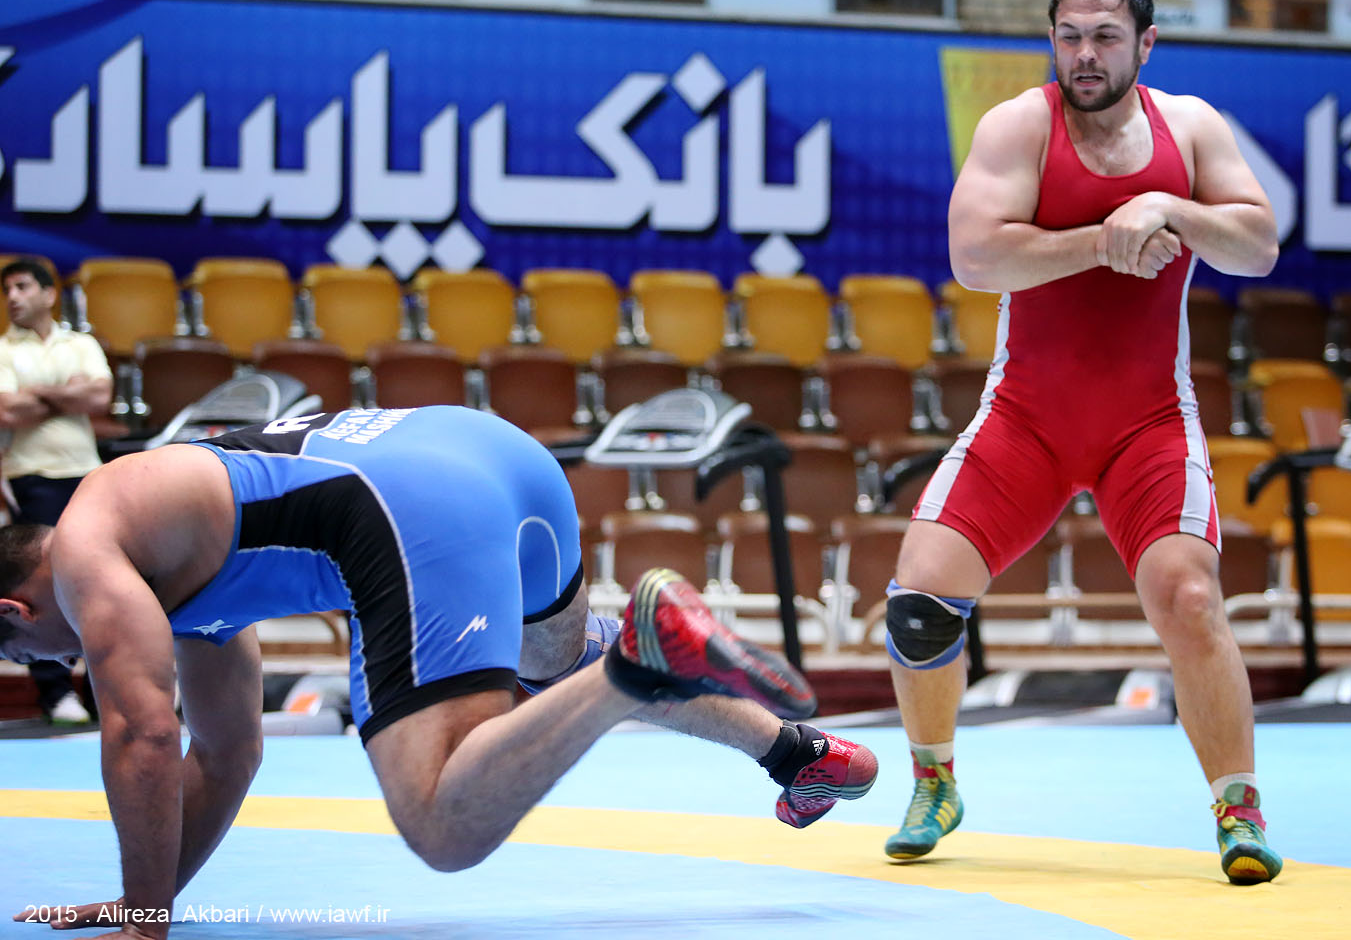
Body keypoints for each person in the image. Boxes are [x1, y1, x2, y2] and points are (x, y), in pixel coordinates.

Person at [0, 405, 877, 938]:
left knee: (443, 826)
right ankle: (792, 752)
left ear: (14, 614)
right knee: (556, 659)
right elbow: (227, 755)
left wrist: (143, 925)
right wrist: (144, 900)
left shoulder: (86, 550)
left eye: (20, 655)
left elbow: (144, 734)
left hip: (401, 505)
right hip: (491, 450)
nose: (55, 663)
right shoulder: (158, 555)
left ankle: (638, 666)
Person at [882, 0, 1282, 884]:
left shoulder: (1191, 127)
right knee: (919, 601)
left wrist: (1170, 206)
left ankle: (1239, 809)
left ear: (1146, 44)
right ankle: (935, 782)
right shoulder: (1018, 126)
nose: (1085, 55)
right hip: (1026, 418)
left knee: (1189, 599)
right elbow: (975, 257)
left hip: (1149, 422)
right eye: (1069, 36)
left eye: (1105, 37)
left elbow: (1258, 245)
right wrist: (1103, 240)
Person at [0, 256, 112, 725]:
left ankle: (106, 688)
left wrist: (36, 393)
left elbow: (100, 398)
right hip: (31, 476)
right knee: (37, 586)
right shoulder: (3, 349)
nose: (13, 297)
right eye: (7, 290)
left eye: (23, 287)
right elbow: (8, 411)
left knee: (102, 578)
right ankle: (56, 692)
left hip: (86, 475)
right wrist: (67, 393)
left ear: (49, 294)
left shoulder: (81, 344)